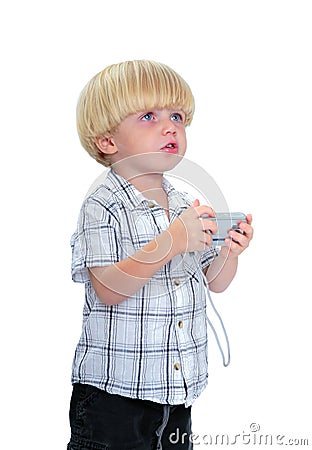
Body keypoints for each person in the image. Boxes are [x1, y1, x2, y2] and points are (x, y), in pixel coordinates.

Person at [67, 60, 253, 450]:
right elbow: (109, 289)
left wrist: (230, 253)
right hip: (114, 399)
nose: (170, 127)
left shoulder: (184, 203)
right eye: (149, 116)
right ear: (108, 141)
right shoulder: (102, 205)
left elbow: (213, 281)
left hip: (175, 394)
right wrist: (171, 240)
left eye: (178, 116)